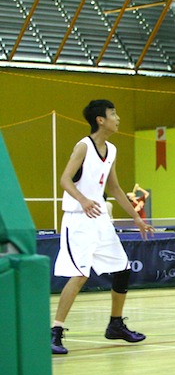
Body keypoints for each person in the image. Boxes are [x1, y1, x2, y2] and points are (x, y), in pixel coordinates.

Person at [51, 100, 155, 355]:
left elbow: (115, 189)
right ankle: (55, 331)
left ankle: (115, 325)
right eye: (113, 114)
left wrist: (137, 218)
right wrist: (84, 200)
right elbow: (64, 179)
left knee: (123, 269)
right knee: (80, 274)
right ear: (100, 119)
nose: (117, 118)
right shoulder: (83, 146)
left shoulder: (112, 149)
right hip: (77, 218)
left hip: (99, 220)